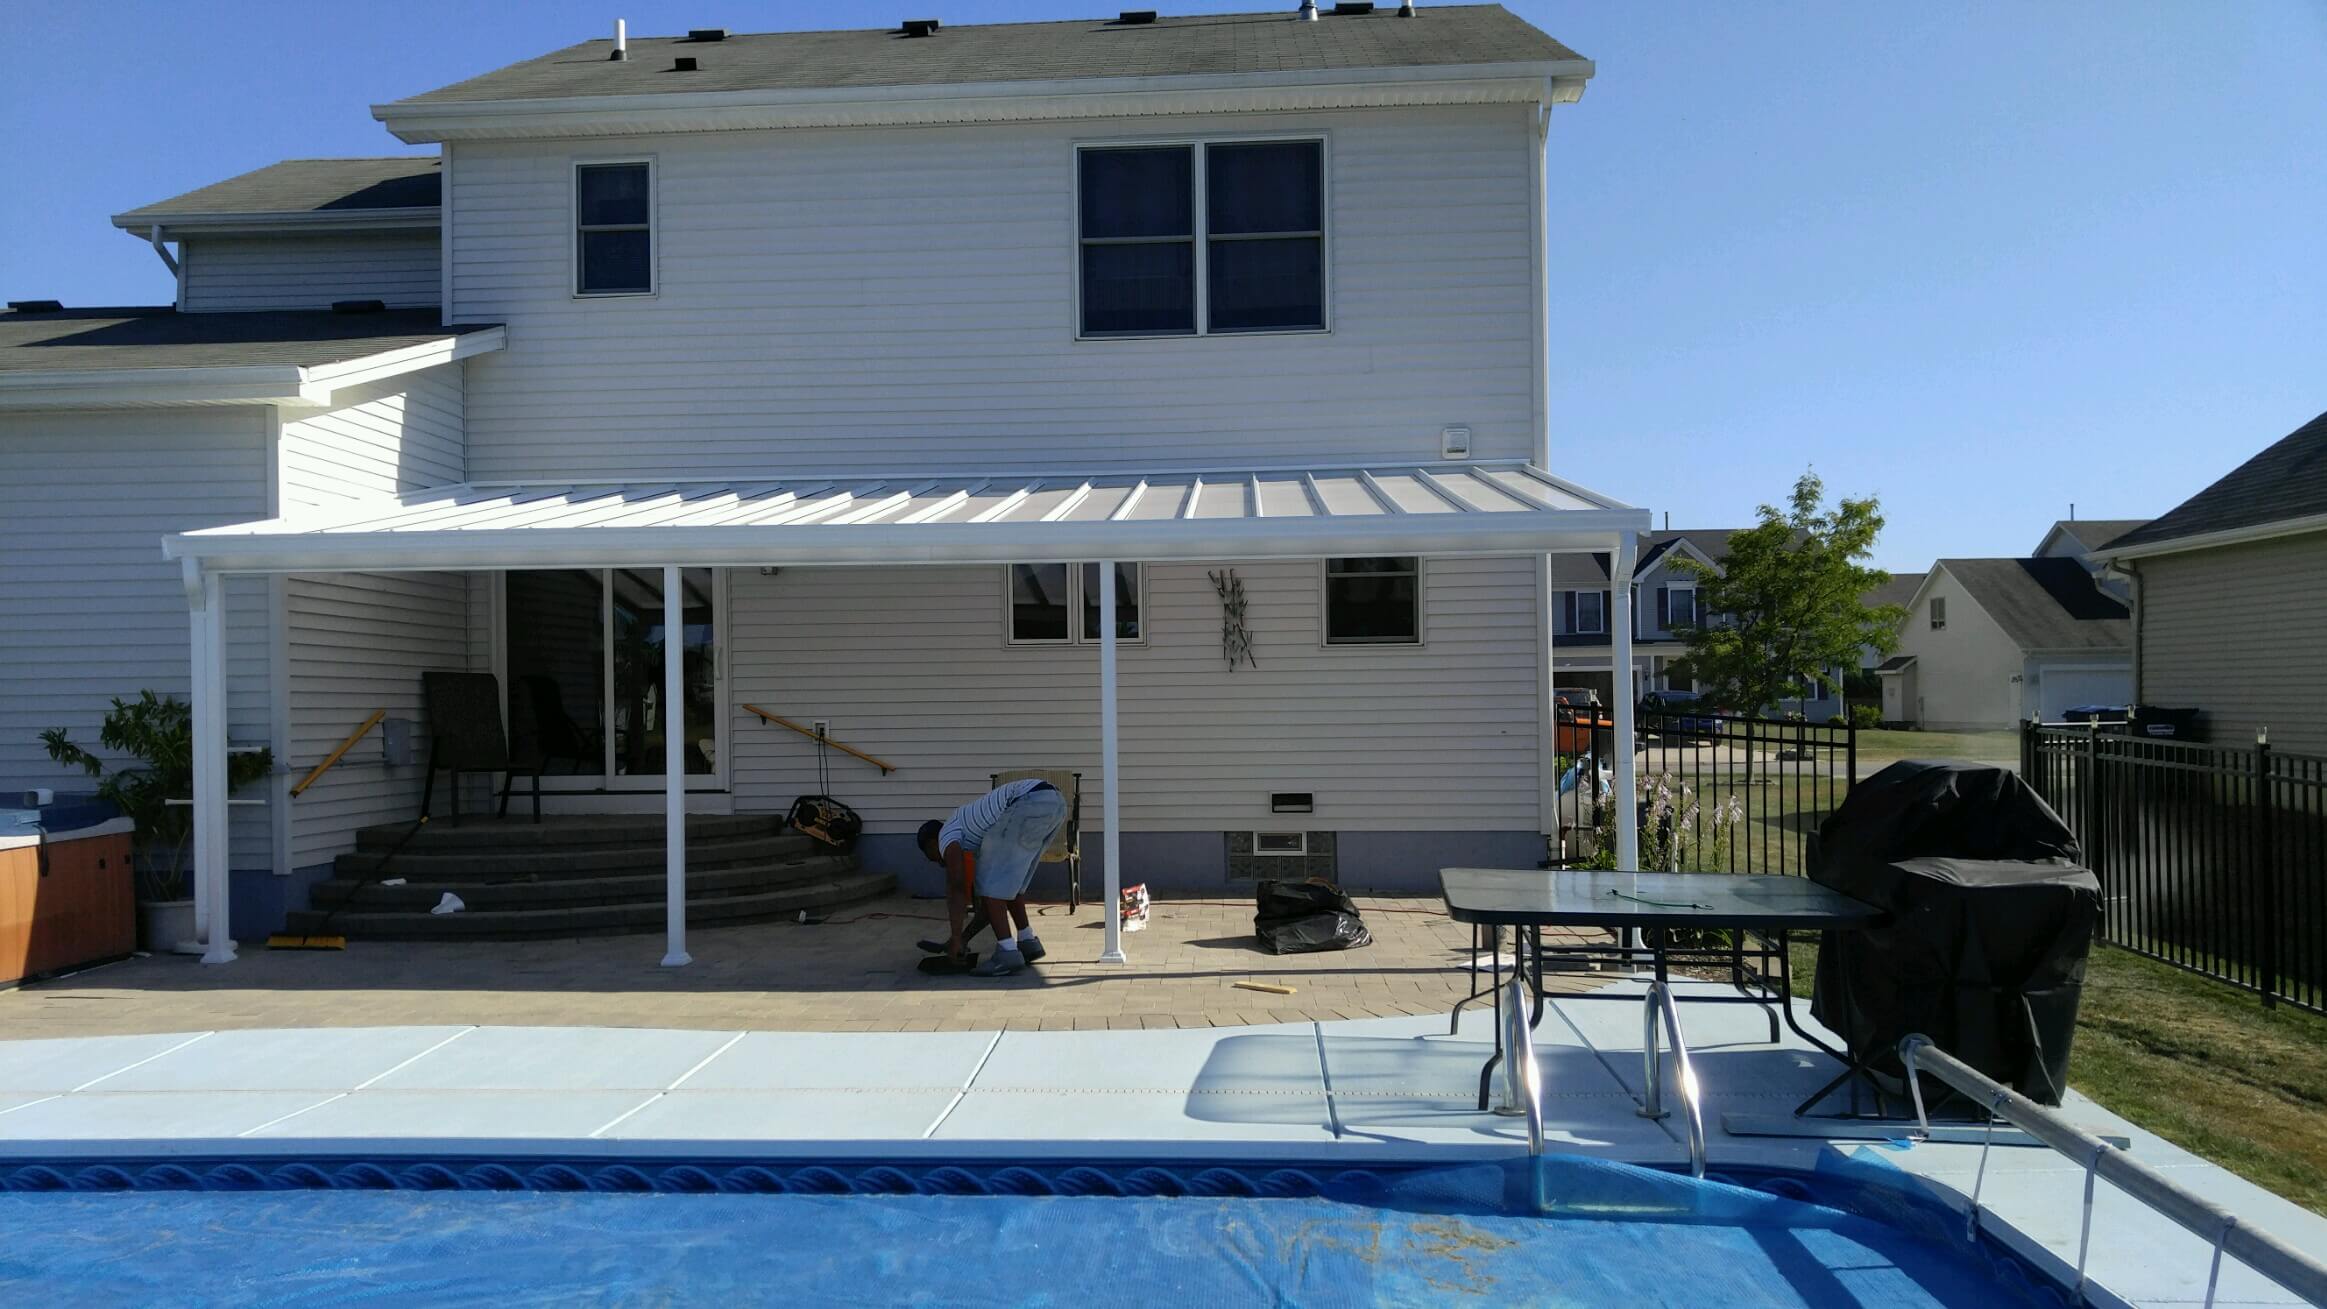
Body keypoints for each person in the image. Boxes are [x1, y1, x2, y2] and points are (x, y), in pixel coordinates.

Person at [916, 778, 1067, 977]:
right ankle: (1027, 942)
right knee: (1009, 886)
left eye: (932, 858)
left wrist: (955, 936)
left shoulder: (945, 835)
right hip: (1054, 802)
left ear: (931, 844)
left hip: (1027, 802)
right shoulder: (972, 832)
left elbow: (956, 886)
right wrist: (962, 938)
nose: (939, 863)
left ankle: (1007, 954)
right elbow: (988, 909)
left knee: (991, 886)